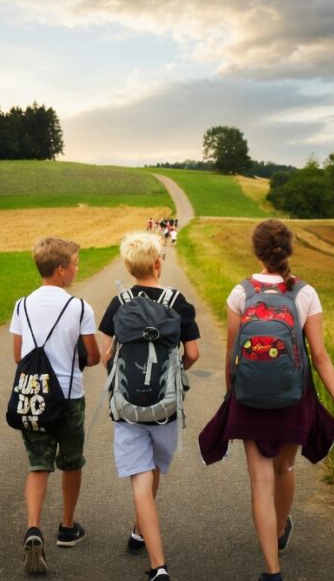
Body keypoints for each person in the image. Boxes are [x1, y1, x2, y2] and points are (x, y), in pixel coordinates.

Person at [198, 219, 334, 581]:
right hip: (293, 398)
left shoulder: (241, 293)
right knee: (284, 469)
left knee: (260, 482)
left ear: (256, 251)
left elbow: (231, 354)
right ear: (288, 250)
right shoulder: (305, 293)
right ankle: (280, 530)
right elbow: (320, 356)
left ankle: (271, 572)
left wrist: (232, 398)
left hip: (250, 398)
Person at [99, 232, 200, 581]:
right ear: (158, 263)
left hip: (127, 408)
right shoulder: (178, 301)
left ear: (129, 266)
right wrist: (172, 376)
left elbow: (108, 358)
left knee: (141, 477)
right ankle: (157, 563)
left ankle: (143, 533)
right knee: (153, 467)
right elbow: (193, 354)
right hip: (166, 408)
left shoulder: (119, 302)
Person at [10, 237, 101, 575]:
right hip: (69, 398)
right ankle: (66, 526)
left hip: (33, 397)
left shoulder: (21, 305)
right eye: (75, 264)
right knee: (72, 461)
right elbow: (91, 355)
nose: (77, 269)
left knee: (38, 465)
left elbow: (19, 355)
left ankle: (33, 528)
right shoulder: (79, 308)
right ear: (62, 270)